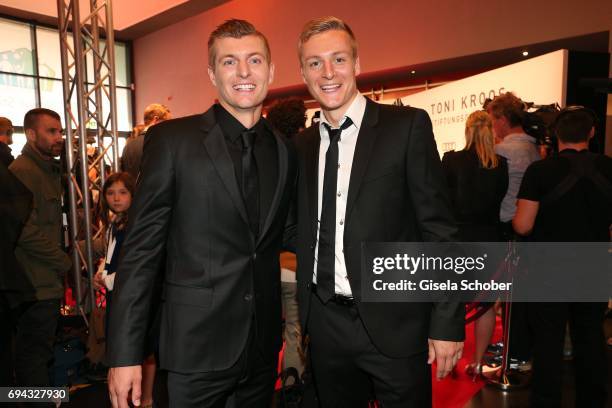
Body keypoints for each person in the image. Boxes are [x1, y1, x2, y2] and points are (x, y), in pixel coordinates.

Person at [107, 19, 297, 408]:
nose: (244, 72)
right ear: (212, 73)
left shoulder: (283, 151)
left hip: (261, 352)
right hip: (195, 350)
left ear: (271, 70)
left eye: (254, 60)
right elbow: (141, 253)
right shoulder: (172, 141)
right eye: (229, 62)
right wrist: (125, 354)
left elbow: (289, 237)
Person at [292, 17, 464, 407]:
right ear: (303, 72)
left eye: (338, 59)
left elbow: (440, 232)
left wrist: (448, 323)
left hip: (396, 322)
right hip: (325, 326)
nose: (328, 72)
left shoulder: (405, 128)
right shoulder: (300, 147)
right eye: (315, 63)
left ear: (356, 64)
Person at [513, 106, 612, 407]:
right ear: (592, 133)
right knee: (591, 338)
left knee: (548, 341)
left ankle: (546, 401)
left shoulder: (540, 171)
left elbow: (523, 224)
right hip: (594, 265)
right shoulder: (610, 168)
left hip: (548, 267)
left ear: (556, 134)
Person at [441, 110, 508, 378]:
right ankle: (479, 363)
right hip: (491, 241)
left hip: (457, 241)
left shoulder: (451, 160)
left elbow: (441, 201)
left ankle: (452, 360)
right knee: (486, 305)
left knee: (453, 303)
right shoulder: (500, 164)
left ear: (468, 131)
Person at [8, 108, 72, 388]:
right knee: (33, 359)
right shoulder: (22, 171)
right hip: (34, 283)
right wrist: (63, 260)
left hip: (45, 280)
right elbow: (24, 229)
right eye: (51, 131)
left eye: (60, 131)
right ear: (31, 134)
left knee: (36, 356)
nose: (59, 137)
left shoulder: (47, 169)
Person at [487, 92, 540, 366]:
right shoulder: (534, 149)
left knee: (510, 297)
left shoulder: (503, 151)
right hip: (528, 229)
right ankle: (518, 349)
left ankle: (514, 354)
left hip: (507, 227)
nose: (492, 127)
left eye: (493, 120)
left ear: (503, 120)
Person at [266, 98, 307, 379]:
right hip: (294, 262)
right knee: (294, 328)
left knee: (269, 331)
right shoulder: (305, 157)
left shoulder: (267, 157)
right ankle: (292, 384)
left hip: (267, 263)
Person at [120, 104, 171, 180]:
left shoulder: (128, 146)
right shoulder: (158, 144)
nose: (168, 127)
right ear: (155, 120)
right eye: (167, 122)